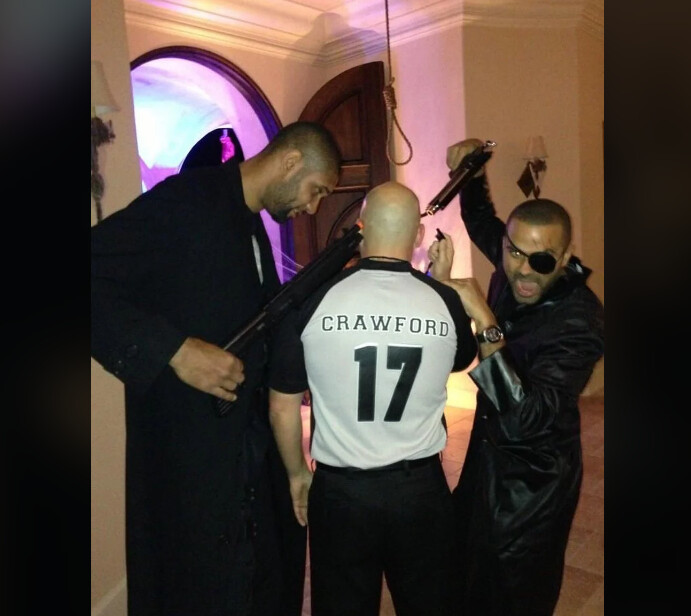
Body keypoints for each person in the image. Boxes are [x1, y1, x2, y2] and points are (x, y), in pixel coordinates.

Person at [91, 121, 341, 616]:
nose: (313, 208)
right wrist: (175, 350)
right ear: (291, 162)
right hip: (187, 459)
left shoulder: (250, 224)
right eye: (316, 191)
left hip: (241, 458)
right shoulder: (185, 201)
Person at [267, 181, 477, 616]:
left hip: (341, 493)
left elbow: (282, 405)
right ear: (418, 236)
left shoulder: (310, 299)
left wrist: (296, 475)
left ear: (361, 229)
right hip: (420, 491)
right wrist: (443, 284)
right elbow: (459, 362)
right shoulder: (445, 301)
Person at [429, 137, 605, 616]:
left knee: (515, 588)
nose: (523, 272)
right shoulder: (516, 263)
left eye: (541, 261)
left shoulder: (581, 320)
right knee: (467, 570)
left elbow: (527, 418)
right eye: (513, 253)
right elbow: (480, 217)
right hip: (485, 458)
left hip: (533, 483)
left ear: (565, 259)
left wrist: (485, 321)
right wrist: (472, 165)